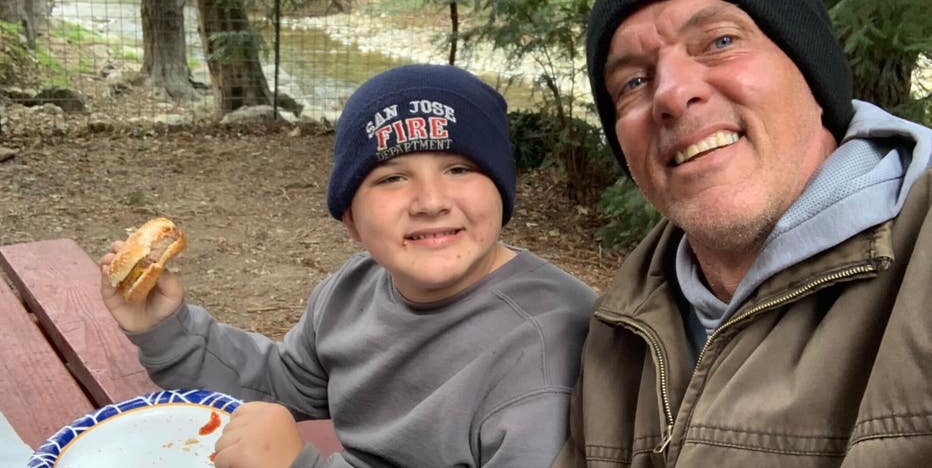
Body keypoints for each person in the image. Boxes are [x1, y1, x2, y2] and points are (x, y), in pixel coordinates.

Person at [99, 64, 596, 468]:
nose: (430, 201)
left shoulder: (549, 347)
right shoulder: (353, 291)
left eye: (459, 168)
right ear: (352, 221)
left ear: (503, 194)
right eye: (392, 177)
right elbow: (279, 386)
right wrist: (168, 330)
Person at [553, 0, 932, 466]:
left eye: (721, 42)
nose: (671, 94)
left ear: (812, 74)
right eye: (633, 82)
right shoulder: (619, 330)